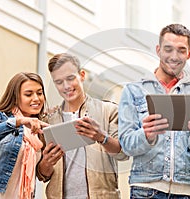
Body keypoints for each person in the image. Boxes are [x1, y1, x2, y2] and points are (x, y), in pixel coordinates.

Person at [118, 23, 190, 198]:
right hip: (145, 189)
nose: (174, 56)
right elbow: (126, 145)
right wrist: (145, 135)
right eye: (168, 49)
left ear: (189, 53)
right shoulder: (133, 90)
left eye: (181, 50)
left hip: (187, 190)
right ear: (158, 50)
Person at [36, 53, 128, 199]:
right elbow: (42, 175)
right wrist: (46, 163)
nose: (66, 86)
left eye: (70, 78)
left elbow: (122, 153)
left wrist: (101, 137)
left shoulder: (108, 111)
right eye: (59, 82)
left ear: (82, 75)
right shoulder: (48, 121)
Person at [0, 72, 49, 199]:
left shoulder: (40, 129)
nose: (36, 98)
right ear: (15, 97)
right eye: (28, 94)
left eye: (40, 93)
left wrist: (49, 160)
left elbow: (41, 175)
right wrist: (18, 121)